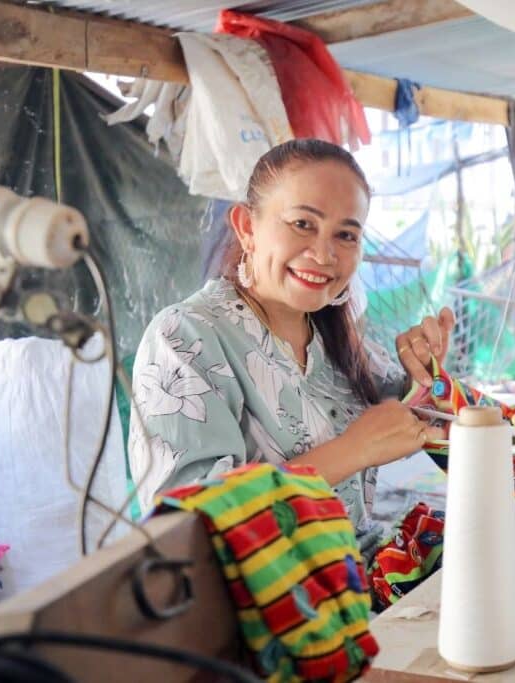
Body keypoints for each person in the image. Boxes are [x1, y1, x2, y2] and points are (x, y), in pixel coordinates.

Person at [128, 139, 454, 560]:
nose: (324, 254)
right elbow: (184, 531)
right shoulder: (184, 337)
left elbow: (414, 411)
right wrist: (350, 451)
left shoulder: (334, 341)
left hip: (354, 576)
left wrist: (426, 370)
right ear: (247, 226)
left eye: (346, 235)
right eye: (303, 224)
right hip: (265, 607)